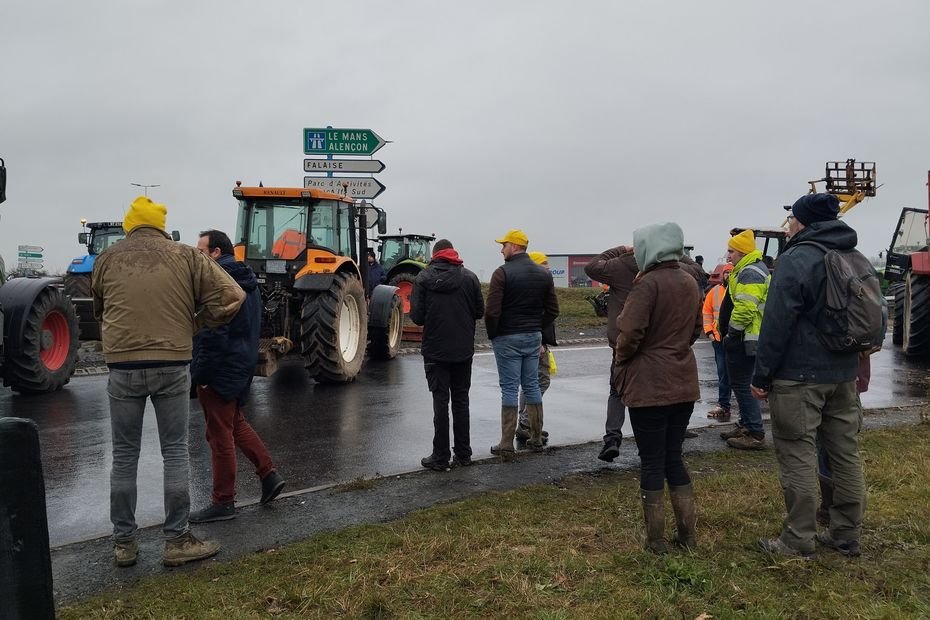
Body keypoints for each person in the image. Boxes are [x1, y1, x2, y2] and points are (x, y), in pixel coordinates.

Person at [92, 196, 246, 568]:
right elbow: (233, 295)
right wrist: (196, 322)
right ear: (161, 225)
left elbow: (100, 309)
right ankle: (177, 541)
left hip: (123, 365)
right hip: (172, 361)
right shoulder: (186, 256)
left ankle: (124, 544)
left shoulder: (108, 259)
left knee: (125, 455)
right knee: (174, 451)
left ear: (130, 225)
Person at [751, 193, 867, 558]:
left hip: (800, 377)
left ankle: (798, 539)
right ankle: (846, 533)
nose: (788, 226)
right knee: (844, 451)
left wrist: (762, 375)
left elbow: (776, 323)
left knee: (797, 451)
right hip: (844, 373)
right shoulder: (854, 255)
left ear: (802, 222)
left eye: (791, 220)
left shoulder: (796, 258)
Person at [612, 222, 703, 554]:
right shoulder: (689, 281)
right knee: (673, 456)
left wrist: (623, 359)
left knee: (651, 461)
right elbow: (695, 328)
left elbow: (630, 334)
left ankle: (656, 541)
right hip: (682, 379)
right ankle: (688, 537)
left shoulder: (647, 285)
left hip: (649, 384)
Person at [189, 230, 286, 523]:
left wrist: (201, 373)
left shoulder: (218, 282)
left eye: (201, 250)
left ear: (216, 252)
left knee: (219, 436)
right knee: (235, 424)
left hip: (220, 367)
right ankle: (269, 475)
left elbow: (212, 333)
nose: (198, 256)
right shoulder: (247, 279)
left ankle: (223, 502)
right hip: (241, 361)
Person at [410, 239, 485, 470]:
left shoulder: (422, 279)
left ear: (434, 255)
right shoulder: (470, 278)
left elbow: (417, 317)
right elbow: (479, 311)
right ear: (453, 253)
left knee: (440, 403)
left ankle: (440, 456)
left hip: (435, 351)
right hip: (463, 350)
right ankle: (463, 454)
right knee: (461, 401)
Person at [486, 229, 559, 454]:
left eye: (504, 245)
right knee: (532, 385)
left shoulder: (502, 273)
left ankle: (506, 443)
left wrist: (494, 334)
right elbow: (553, 310)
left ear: (515, 246)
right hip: (532, 337)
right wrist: (537, 326)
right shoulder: (544, 275)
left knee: (509, 387)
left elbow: (492, 312)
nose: (501, 249)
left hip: (507, 337)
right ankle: (536, 438)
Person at [583, 244, 638, 462]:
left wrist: (619, 250)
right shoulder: (658, 268)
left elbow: (591, 266)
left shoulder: (620, 267)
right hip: (649, 343)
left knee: (617, 391)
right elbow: (694, 270)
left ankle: (612, 439)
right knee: (645, 394)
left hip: (622, 342)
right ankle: (646, 441)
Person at [718, 229, 770, 451]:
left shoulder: (750, 272)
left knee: (741, 384)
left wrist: (732, 333)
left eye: (731, 251)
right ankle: (747, 425)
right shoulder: (747, 269)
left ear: (741, 251)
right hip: (744, 337)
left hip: (745, 338)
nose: (728, 255)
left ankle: (755, 432)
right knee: (740, 384)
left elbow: (746, 307)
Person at [516, 251, 557, 444]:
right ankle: (526, 423)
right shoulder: (539, 286)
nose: (548, 268)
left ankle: (526, 425)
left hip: (535, 339)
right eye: (545, 264)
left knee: (529, 383)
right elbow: (539, 315)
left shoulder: (531, 284)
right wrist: (540, 341)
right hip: (536, 341)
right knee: (541, 381)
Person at [703, 265, 733, 421]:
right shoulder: (714, 292)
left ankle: (741, 409)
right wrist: (709, 332)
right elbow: (706, 312)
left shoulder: (739, 289)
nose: (727, 275)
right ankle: (724, 404)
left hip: (735, 339)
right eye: (726, 273)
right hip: (719, 339)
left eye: (730, 272)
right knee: (723, 373)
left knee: (738, 376)